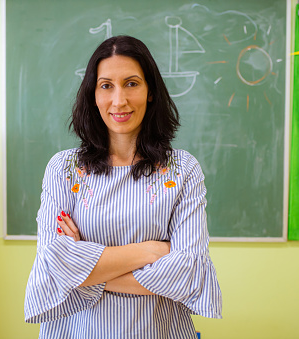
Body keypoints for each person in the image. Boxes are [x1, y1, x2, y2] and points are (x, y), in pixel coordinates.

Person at [25, 35, 222, 338]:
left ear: (150, 91)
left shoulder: (183, 170)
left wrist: (83, 271)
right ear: (93, 94)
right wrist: (150, 251)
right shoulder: (64, 169)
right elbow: (53, 265)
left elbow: (186, 274)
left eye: (131, 83)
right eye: (106, 86)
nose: (119, 100)